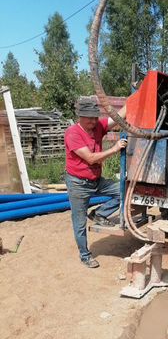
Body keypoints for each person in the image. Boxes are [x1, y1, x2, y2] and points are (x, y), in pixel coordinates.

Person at [64, 97, 127, 268]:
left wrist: (137, 98)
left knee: (124, 191)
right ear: (80, 117)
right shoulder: (73, 133)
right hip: (78, 183)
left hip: (96, 180)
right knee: (79, 223)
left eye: (95, 117)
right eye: (89, 118)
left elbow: (118, 117)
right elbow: (91, 158)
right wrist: (115, 148)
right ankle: (85, 255)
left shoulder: (98, 126)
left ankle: (99, 213)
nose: (93, 121)